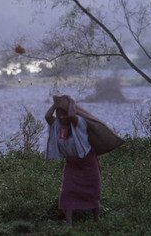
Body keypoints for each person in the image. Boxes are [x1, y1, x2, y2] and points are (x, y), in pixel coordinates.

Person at [45, 95, 101, 227]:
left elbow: (71, 115)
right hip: (72, 164)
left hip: (87, 162)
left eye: (64, 113)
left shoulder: (78, 122)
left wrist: (71, 102)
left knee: (93, 190)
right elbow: (47, 117)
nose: (62, 117)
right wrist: (56, 105)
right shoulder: (57, 125)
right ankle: (69, 225)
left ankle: (96, 219)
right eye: (59, 114)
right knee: (67, 191)